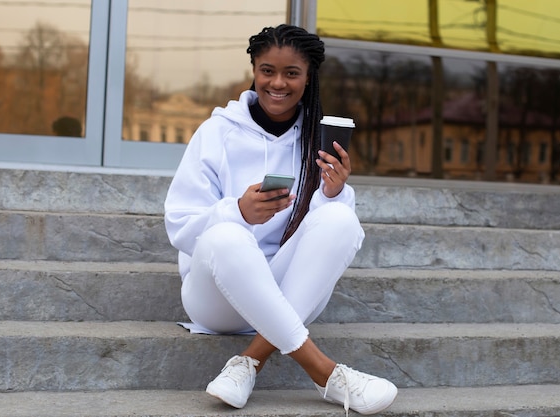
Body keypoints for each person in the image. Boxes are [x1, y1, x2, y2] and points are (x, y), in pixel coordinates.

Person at [164, 24, 398, 415]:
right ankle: (325, 373)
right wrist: (238, 212)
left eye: (292, 73)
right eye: (267, 70)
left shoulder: (317, 139)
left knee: (341, 218)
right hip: (215, 297)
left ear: (308, 79)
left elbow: (329, 242)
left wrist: (334, 192)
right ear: (254, 71)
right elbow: (180, 225)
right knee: (227, 235)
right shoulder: (217, 132)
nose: (278, 83)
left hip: (288, 290)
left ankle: (249, 361)